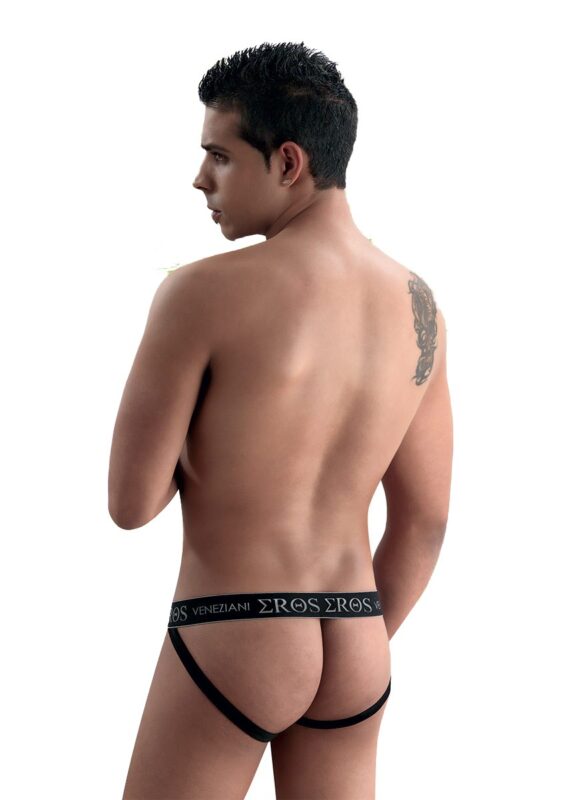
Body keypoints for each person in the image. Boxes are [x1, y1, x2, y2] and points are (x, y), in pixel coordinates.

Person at [109, 40, 453, 800]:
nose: (200, 179)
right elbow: (425, 522)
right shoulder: (419, 307)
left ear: (288, 162)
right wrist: (353, 641)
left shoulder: (199, 293)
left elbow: (132, 504)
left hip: (235, 626)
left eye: (220, 156)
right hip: (358, 636)